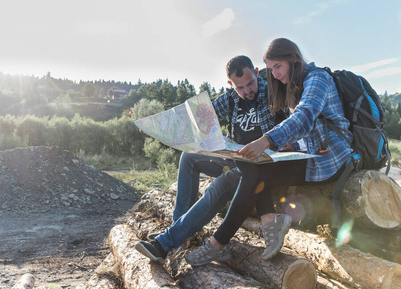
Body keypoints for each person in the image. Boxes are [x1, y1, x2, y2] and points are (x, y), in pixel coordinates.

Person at [184, 38, 353, 266]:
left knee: (254, 168)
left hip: (329, 159)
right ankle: (266, 223)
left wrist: (266, 141)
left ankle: (218, 244)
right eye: (271, 69)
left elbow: (304, 116)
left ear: (293, 59)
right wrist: (294, 146)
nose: (274, 74)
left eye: (277, 67)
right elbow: (308, 133)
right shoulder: (293, 85)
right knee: (253, 166)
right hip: (309, 153)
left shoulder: (317, 79)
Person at [135, 55, 295, 265]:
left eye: (250, 83)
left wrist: (284, 143)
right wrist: (160, 129)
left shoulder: (273, 94)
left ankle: (166, 243)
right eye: (240, 87)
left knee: (217, 188)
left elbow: (295, 122)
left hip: (257, 167)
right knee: (189, 157)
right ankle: (180, 230)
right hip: (234, 158)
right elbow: (197, 117)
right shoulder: (230, 98)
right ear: (231, 84)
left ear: (257, 73)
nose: (247, 91)